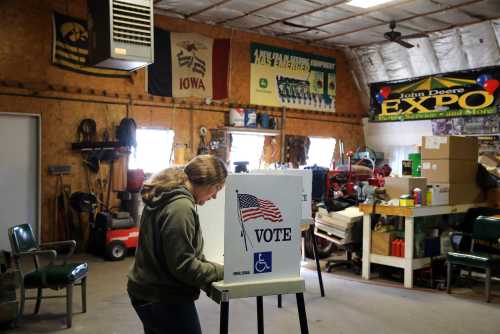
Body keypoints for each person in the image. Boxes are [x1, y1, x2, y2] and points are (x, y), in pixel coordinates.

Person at [127, 154, 227, 334]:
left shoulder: (170, 196)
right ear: (205, 183)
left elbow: (186, 255)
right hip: (163, 297)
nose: (215, 196)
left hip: (149, 292)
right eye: (217, 188)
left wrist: (213, 270)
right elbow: (184, 266)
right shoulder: (180, 208)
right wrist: (226, 272)